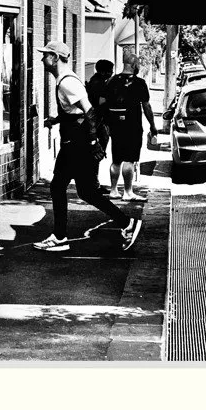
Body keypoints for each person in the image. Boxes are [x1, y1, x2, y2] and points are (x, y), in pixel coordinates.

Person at [33, 42, 141, 254]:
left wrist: (92, 142)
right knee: (85, 192)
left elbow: (89, 111)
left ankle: (60, 237)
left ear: (55, 58)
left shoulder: (67, 82)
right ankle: (126, 223)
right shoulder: (65, 80)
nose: (42, 59)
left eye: (45, 55)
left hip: (77, 144)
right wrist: (57, 120)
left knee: (59, 187)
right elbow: (75, 112)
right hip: (75, 142)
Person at [103, 56, 158, 200]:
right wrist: (152, 125)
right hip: (132, 125)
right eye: (138, 64)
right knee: (129, 160)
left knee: (116, 159)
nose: (139, 66)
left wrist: (107, 122)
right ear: (134, 65)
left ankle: (113, 190)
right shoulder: (139, 83)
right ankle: (128, 192)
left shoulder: (111, 81)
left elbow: (103, 103)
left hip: (115, 125)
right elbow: (146, 106)